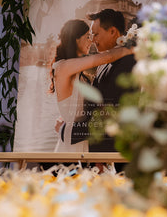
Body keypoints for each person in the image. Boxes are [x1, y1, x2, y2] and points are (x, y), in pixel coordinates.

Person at [50, 19, 133, 152]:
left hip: (83, 140)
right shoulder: (62, 67)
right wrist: (130, 48)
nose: (91, 41)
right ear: (75, 39)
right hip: (73, 144)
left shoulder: (80, 73)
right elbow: (106, 57)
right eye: (87, 37)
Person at [70, 9, 137, 153]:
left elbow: (111, 115)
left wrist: (70, 130)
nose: (93, 39)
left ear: (113, 32)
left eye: (96, 34)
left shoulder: (127, 64)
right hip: (100, 152)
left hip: (115, 154)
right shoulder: (106, 61)